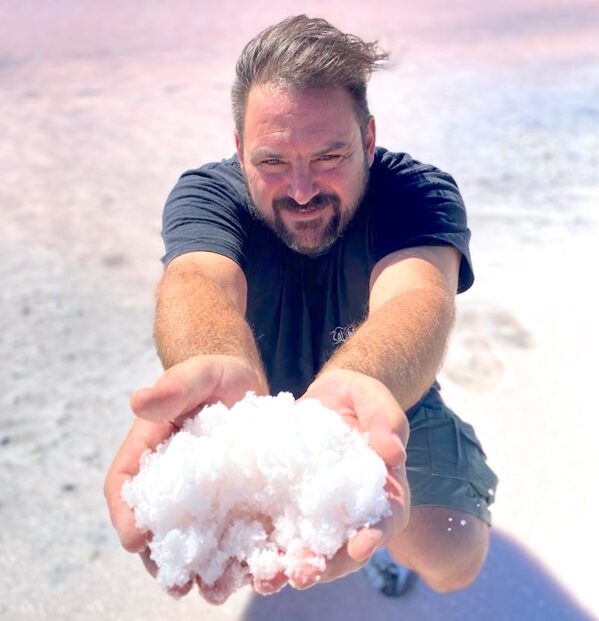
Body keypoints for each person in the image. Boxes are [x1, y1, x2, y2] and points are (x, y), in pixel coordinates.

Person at [104, 14, 498, 600]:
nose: (303, 189)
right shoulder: (207, 195)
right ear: (240, 151)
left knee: (452, 557)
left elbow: (417, 294)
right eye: (273, 163)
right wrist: (214, 371)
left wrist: (358, 381)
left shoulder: (415, 192)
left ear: (367, 139)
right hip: (251, 403)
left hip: (388, 395)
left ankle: (384, 547)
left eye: (329, 156)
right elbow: (197, 281)